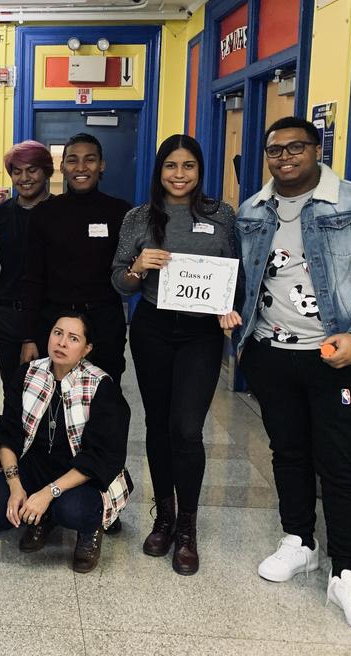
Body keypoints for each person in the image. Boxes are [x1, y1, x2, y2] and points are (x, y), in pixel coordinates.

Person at [231, 116, 351, 635]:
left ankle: (347, 571)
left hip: (340, 355)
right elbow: (246, 276)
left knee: (341, 464)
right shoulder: (252, 210)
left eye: (295, 147)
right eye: (275, 150)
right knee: (288, 452)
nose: (284, 157)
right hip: (271, 354)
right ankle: (299, 541)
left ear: (316, 150)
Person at [110, 134, 238, 575]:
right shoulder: (139, 217)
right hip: (153, 330)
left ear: (200, 170)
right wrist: (137, 267)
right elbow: (119, 282)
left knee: (187, 429)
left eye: (188, 166)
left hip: (201, 335)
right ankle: (163, 517)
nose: (179, 175)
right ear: (159, 170)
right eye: (171, 166)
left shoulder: (221, 215)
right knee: (159, 424)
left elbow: (235, 273)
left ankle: (187, 527)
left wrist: (230, 308)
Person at [0, 313, 132, 573]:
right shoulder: (28, 373)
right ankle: (43, 516)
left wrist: (48, 493)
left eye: (73, 338)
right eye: (57, 333)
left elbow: (101, 456)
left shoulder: (101, 386)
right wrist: (15, 485)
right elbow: (7, 433)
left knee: (71, 511)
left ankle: (89, 529)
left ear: (87, 349)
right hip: (35, 466)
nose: (62, 343)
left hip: (80, 473)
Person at [20, 132, 132, 388]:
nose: (81, 167)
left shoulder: (121, 212)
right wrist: (28, 336)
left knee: (105, 396)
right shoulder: (44, 214)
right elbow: (32, 278)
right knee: (55, 396)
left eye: (89, 160)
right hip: (54, 322)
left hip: (105, 324)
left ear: (101, 165)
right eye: (72, 160)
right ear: (62, 166)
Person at [0, 140, 53, 391]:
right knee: (12, 390)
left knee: (48, 392)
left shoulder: (61, 212)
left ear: (46, 171)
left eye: (32, 170)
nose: (24, 178)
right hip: (6, 317)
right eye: (17, 171)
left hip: (51, 317)